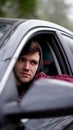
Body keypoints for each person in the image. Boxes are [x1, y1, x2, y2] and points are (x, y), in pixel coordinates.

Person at [14, 39, 73, 130]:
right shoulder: (4, 79)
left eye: (33, 63)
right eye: (22, 60)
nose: (26, 67)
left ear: (39, 65)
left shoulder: (44, 83)